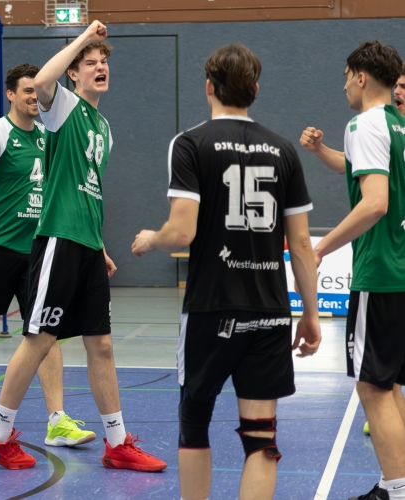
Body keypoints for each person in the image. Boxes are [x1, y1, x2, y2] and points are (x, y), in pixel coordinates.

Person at [0, 21, 166, 472]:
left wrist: (100, 246)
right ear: (74, 73)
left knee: (102, 345)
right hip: (58, 240)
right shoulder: (62, 106)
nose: (100, 67)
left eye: (104, 62)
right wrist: (82, 38)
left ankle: (117, 443)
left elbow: (87, 190)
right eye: (90, 63)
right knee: (39, 339)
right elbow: (43, 81)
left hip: (87, 244)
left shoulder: (104, 128)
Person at [131, 43, 321, 500]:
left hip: (211, 309)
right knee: (261, 439)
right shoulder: (284, 150)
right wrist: (310, 314)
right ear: (255, 90)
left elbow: (182, 232)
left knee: (194, 425)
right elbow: (300, 244)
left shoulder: (190, 143)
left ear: (209, 87)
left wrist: (151, 238)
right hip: (269, 311)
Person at [0, 63, 95, 447]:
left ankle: (57, 420)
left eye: (36, 91)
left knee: (45, 333)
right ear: (11, 94)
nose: (33, 97)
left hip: (39, 250)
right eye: (27, 91)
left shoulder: (48, 135)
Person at [301, 41, 405, 500]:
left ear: (361, 77)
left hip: (379, 273)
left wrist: (320, 248)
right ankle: (395, 483)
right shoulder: (400, 126)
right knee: (389, 385)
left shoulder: (364, 123)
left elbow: (375, 202)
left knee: (372, 388)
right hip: (400, 271)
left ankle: (397, 491)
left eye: (346, 76)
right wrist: (323, 151)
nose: (344, 85)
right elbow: (367, 173)